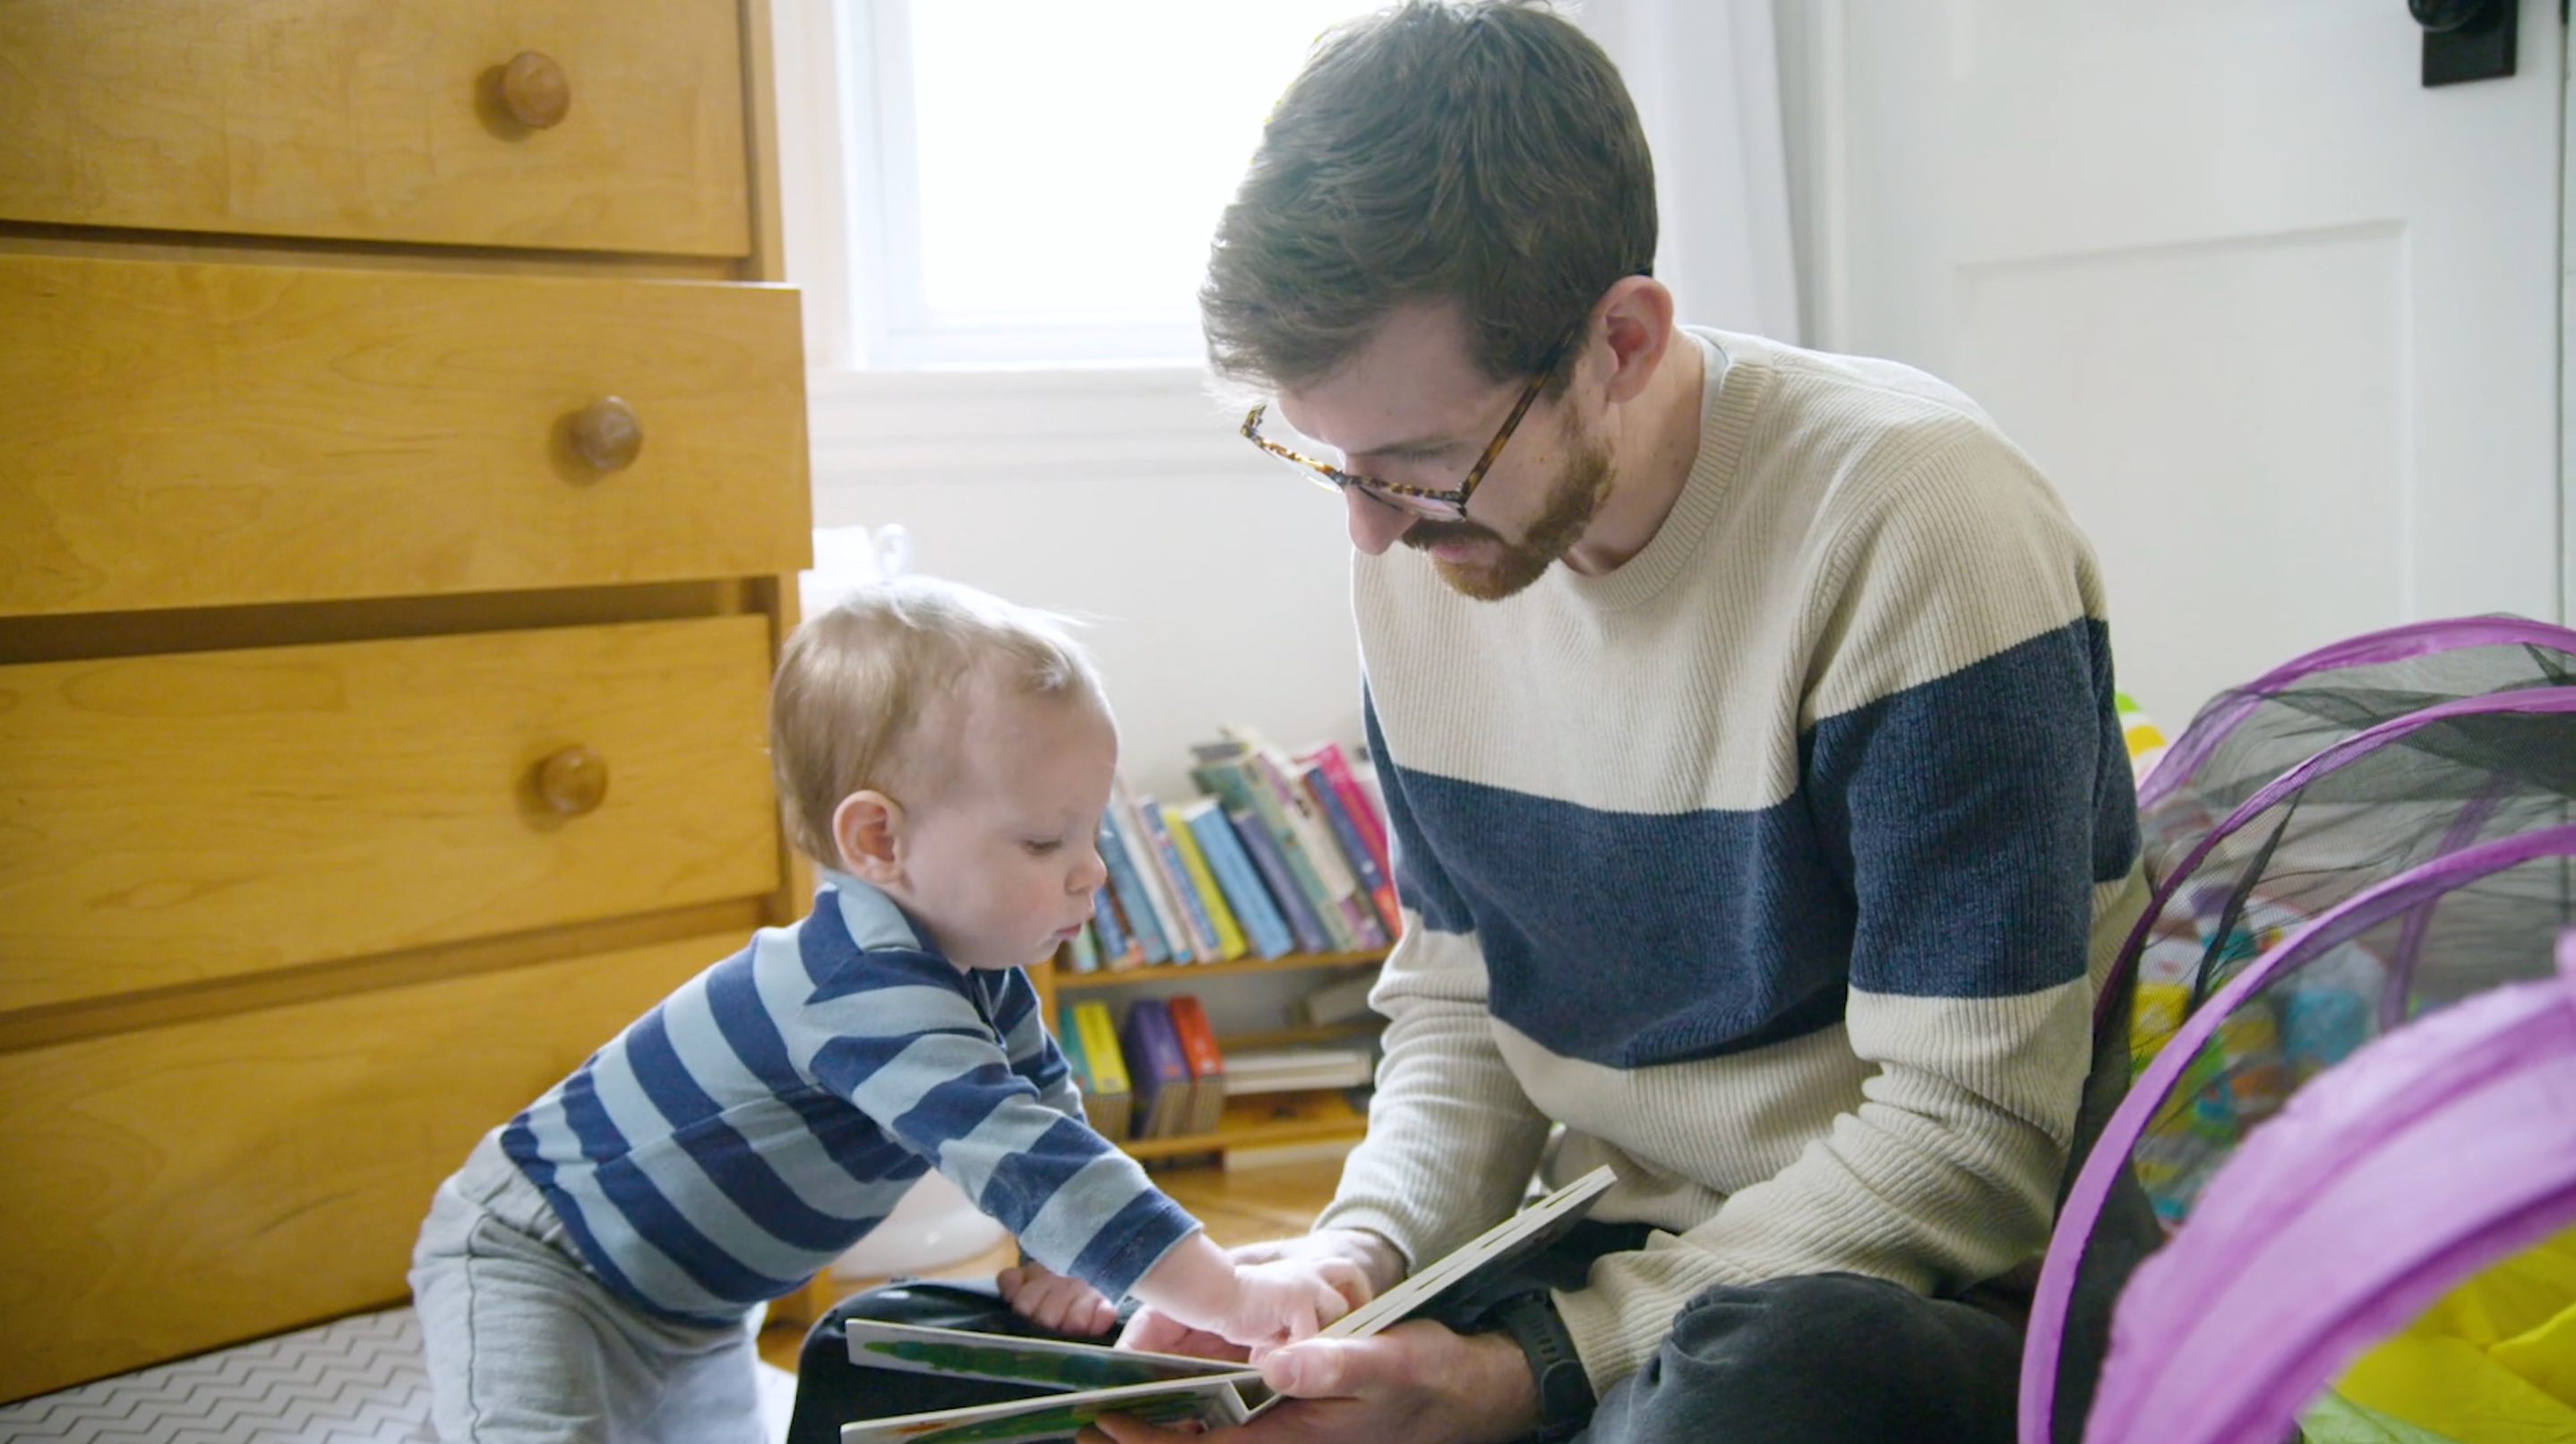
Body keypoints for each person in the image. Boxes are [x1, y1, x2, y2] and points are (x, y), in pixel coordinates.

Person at [1088, 4, 2152, 1442]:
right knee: (1012, 1360)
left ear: (1626, 339)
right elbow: (1466, 1008)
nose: (1367, 532)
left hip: (1927, 1291)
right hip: (1613, 1265)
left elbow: (1967, 1144)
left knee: (1734, 1401)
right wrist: (1358, 1263)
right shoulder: (1431, 554)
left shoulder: (1920, 529)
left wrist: (1525, 1369)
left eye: (1415, 466)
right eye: (1325, 460)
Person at [408, 578, 1361, 1444]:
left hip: (691, 1309)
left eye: (1091, 832)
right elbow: (1023, 1155)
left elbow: (1045, 1117)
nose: (1092, 871)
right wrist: (1228, 1292)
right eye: (1043, 839)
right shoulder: (856, 988)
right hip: (541, 1260)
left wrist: (1066, 1260)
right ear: (878, 839)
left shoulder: (979, 978)